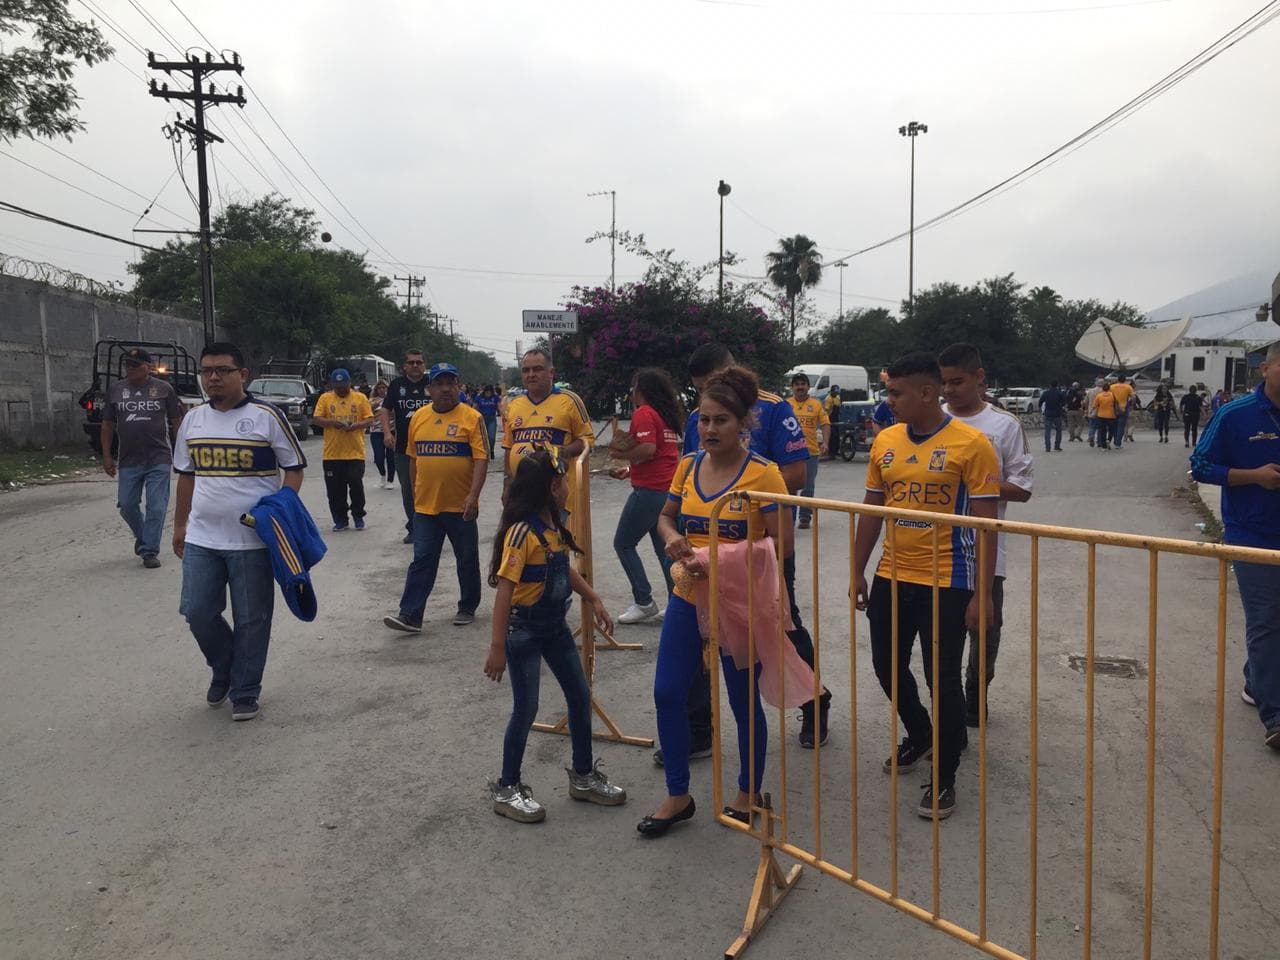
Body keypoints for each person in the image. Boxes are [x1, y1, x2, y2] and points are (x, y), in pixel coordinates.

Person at [638, 366, 791, 837]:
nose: (709, 429)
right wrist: (670, 539)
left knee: (743, 701)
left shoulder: (765, 475)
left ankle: (748, 791)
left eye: (721, 420)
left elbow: (780, 546)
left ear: (745, 422)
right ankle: (679, 794)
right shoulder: (687, 466)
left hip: (740, 603)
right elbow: (667, 519)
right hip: (687, 595)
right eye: (703, 420)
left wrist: (719, 560)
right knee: (668, 693)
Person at [852, 351, 1000, 820]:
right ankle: (921, 733)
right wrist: (857, 569)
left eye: (895, 393)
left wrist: (982, 594)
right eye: (887, 391)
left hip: (948, 579)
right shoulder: (886, 441)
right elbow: (873, 509)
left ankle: (946, 775)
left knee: (943, 679)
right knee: (885, 666)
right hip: (892, 574)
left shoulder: (972, 444)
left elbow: (986, 526)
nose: (888, 400)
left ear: (926, 392)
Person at [678, 344, 828, 750]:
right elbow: (691, 471)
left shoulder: (776, 410)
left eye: (712, 389)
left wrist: (747, 488)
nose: (709, 419)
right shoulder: (698, 417)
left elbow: (796, 473)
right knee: (698, 633)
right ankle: (698, 729)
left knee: (780, 624)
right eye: (700, 396)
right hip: (701, 552)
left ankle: (814, 704)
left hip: (758, 544)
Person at [483, 447, 626, 822]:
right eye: (562, 481)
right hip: (524, 632)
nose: (567, 487)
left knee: (580, 696)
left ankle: (582, 776)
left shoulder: (554, 525)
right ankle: (507, 787)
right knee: (526, 708)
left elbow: (565, 568)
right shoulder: (520, 533)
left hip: (555, 629)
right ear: (549, 487)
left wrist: (593, 598)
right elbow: (504, 592)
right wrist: (497, 646)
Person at [172, 342, 307, 721]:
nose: (213, 377)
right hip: (202, 536)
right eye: (207, 371)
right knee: (197, 611)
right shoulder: (193, 420)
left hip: (252, 538)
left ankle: (245, 689)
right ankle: (225, 667)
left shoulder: (267, 416)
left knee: (252, 617)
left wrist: (280, 509)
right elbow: (185, 476)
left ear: (242, 375)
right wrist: (180, 525)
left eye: (222, 370)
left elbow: (294, 467)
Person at [938, 343, 1034, 731]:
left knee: (985, 626)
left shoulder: (1004, 426)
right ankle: (948, 701)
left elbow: (1023, 486)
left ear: (980, 378)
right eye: (943, 383)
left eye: (957, 382)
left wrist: (975, 485)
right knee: (942, 631)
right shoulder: (933, 421)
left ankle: (977, 691)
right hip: (935, 548)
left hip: (985, 547)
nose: (949, 391)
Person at [1190, 341, 1280, 751]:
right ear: (1266, 368)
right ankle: (1276, 716)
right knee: (1266, 621)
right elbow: (1201, 466)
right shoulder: (1235, 414)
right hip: (1252, 535)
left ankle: (1255, 679)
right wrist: (1253, 475)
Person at [384, 363, 489, 633]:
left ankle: (467, 606)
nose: (445, 389)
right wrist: (415, 493)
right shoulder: (418, 417)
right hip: (426, 507)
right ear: (429, 389)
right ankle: (410, 615)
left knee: (466, 558)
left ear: (458, 387)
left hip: (460, 505)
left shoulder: (471, 418)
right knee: (422, 559)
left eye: (450, 383)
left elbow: (480, 459)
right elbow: (413, 457)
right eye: (439, 384)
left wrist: (473, 496)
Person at [100, 347, 184, 568]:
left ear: (148, 367)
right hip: (129, 459)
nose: (130, 369)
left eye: (135, 365)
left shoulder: (164, 389)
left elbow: (176, 421)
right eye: (127, 365)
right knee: (127, 505)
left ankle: (149, 551)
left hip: (159, 457)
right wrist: (107, 456)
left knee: (157, 506)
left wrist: (181, 450)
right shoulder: (116, 390)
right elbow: (107, 425)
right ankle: (144, 536)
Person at [611, 368, 683, 624]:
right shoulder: (666, 415)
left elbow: (649, 449)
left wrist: (620, 454)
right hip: (668, 490)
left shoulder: (644, 413)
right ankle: (677, 602)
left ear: (640, 390)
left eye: (633, 389)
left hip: (649, 491)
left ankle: (644, 601)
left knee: (623, 543)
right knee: (664, 549)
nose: (632, 394)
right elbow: (662, 453)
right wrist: (631, 469)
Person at [503, 349, 594, 512]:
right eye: (526, 370)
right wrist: (507, 484)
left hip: (557, 494)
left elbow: (587, 442)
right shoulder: (514, 405)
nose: (531, 375)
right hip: (522, 495)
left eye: (537, 369)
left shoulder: (570, 401)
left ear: (551, 372)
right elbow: (509, 447)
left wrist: (562, 451)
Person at [313, 368, 375, 532]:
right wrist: (332, 423)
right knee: (335, 490)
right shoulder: (325, 398)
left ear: (349, 383)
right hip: (332, 454)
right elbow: (317, 419)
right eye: (337, 386)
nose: (341, 389)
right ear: (333, 385)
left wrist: (356, 426)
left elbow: (369, 419)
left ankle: (358, 515)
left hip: (355, 452)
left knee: (355, 484)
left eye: (344, 385)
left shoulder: (360, 398)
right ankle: (340, 519)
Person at [381, 349, 431, 543]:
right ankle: (414, 527)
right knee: (409, 490)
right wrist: (387, 432)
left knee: (430, 488)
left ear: (424, 365)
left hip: (432, 447)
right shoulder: (397, 385)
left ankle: (433, 528)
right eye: (411, 363)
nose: (415, 366)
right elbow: (385, 409)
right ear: (404, 366)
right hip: (404, 448)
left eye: (419, 362)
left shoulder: (432, 383)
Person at [788, 372, 830, 528]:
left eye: (803, 384)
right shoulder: (785, 405)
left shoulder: (817, 404)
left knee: (808, 486)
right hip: (790, 453)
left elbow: (825, 424)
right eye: (797, 384)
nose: (800, 387)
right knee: (790, 485)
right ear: (792, 387)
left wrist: (825, 442)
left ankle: (805, 517)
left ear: (808, 387)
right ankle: (789, 517)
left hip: (810, 452)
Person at [369, 380, 396, 489]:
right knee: (379, 456)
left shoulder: (392, 399)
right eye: (379, 388)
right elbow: (366, 412)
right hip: (376, 431)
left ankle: (390, 480)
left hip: (391, 430)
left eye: (384, 388)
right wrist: (374, 406)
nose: (382, 390)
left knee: (391, 457)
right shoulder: (372, 401)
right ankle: (382, 475)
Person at [473, 384, 501, 460]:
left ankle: (491, 450)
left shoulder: (495, 397)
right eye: (487, 392)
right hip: (482, 419)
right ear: (484, 392)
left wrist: (503, 414)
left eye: (490, 392)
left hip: (492, 419)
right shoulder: (479, 398)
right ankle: (484, 452)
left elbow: (499, 407)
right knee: (482, 438)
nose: (488, 394)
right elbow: (474, 409)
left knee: (491, 437)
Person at [1038, 380, 1066, 453]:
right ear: (1057, 385)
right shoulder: (1060, 393)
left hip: (1048, 413)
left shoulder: (1046, 393)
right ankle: (1057, 446)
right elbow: (1063, 403)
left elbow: (1040, 402)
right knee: (1058, 430)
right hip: (1057, 414)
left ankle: (1048, 447)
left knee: (1047, 431)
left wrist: (1040, 409)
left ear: (1050, 385)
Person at [1109, 375, 1136, 449]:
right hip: (1123, 409)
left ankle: (1113, 441)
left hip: (1113, 409)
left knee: (1114, 426)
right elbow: (1133, 397)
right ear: (1124, 380)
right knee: (1121, 427)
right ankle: (1117, 444)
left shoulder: (1112, 387)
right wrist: (1131, 406)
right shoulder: (1128, 387)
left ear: (1118, 379)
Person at [1090, 381, 1117, 451]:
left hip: (1101, 415)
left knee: (1102, 431)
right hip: (1111, 415)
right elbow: (1116, 404)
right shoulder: (1112, 395)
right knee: (1112, 429)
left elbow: (1094, 405)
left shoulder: (1099, 395)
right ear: (1109, 388)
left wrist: (1091, 411)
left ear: (1102, 389)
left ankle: (1104, 447)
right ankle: (1109, 439)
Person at [823, 385, 842, 461]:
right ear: (831, 391)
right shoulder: (828, 399)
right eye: (834, 392)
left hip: (836, 418)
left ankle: (836, 451)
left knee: (837, 435)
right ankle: (831, 452)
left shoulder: (837, 397)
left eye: (837, 392)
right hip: (830, 418)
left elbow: (839, 407)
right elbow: (827, 410)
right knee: (832, 435)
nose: (836, 393)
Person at [1084, 378, 1105, 447]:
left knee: (1092, 427)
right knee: (1100, 428)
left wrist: (1086, 410)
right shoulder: (1105, 392)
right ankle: (1099, 442)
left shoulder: (1090, 391)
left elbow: (1085, 402)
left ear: (1096, 383)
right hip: (1101, 413)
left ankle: (1091, 436)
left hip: (1091, 412)